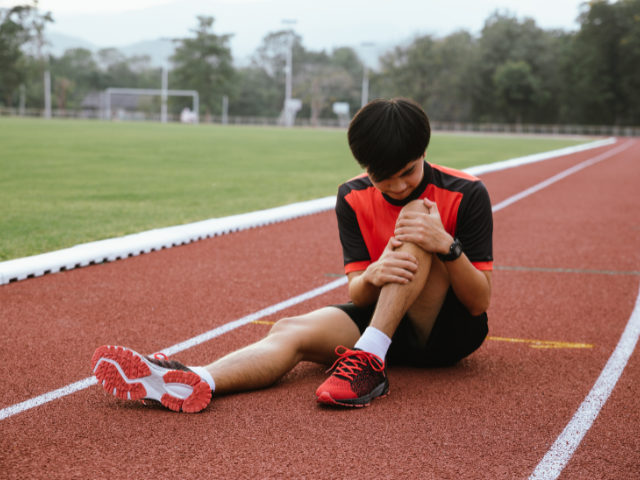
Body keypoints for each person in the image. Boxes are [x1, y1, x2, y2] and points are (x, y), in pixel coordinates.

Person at [91, 98, 493, 413]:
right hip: (385, 325)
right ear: (364, 168)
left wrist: (447, 246)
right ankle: (195, 379)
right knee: (289, 329)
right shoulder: (352, 196)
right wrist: (372, 274)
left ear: (424, 151)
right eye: (383, 177)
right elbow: (360, 295)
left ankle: (369, 361)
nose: (399, 185)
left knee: (418, 220)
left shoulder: (467, 192)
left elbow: (478, 303)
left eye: (408, 171)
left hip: (447, 332)